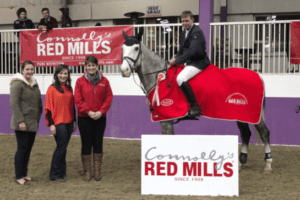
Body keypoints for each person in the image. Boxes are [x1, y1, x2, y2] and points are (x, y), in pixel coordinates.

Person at [74, 56, 113, 182]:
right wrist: (88, 112)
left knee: (98, 142)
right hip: (84, 118)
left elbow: (108, 98)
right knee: (86, 143)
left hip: (100, 118)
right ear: (85, 66)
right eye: (88, 65)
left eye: (93, 65)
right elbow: (78, 100)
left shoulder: (105, 81)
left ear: (97, 66)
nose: (91, 67)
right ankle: (87, 172)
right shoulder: (80, 81)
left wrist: (101, 112)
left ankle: (97, 171)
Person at [169, 11, 211, 118]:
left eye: (187, 21)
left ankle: (195, 107)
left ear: (192, 20)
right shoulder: (183, 33)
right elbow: (181, 50)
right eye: (183, 21)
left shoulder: (197, 32)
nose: (185, 23)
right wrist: (174, 59)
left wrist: (177, 61)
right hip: (190, 62)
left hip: (198, 63)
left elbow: (191, 51)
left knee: (180, 78)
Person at [10, 61, 43, 185]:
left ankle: (24, 173)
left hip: (32, 123)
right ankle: (19, 175)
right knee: (22, 149)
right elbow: (14, 104)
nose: (29, 71)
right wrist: (20, 121)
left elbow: (38, 101)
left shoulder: (34, 84)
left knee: (28, 150)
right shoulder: (17, 84)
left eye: (31, 69)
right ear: (22, 70)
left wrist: (38, 117)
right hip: (22, 123)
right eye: (27, 69)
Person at [45, 64, 77, 182]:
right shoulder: (51, 88)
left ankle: (62, 172)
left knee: (63, 148)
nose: (63, 76)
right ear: (56, 74)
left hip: (69, 122)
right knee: (61, 148)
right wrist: (51, 124)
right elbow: (48, 108)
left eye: (65, 73)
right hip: (59, 123)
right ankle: (54, 174)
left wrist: (74, 121)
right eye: (61, 73)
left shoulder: (69, 88)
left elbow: (72, 106)